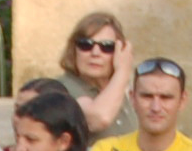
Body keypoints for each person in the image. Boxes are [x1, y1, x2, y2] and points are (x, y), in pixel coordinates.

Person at [58, 12, 135, 141]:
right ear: (74, 49)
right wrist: (123, 70)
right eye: (86, 45)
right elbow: (98, 119)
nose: (95, 53)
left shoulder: (124, 90)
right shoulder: (62, 87)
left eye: (107, 47)